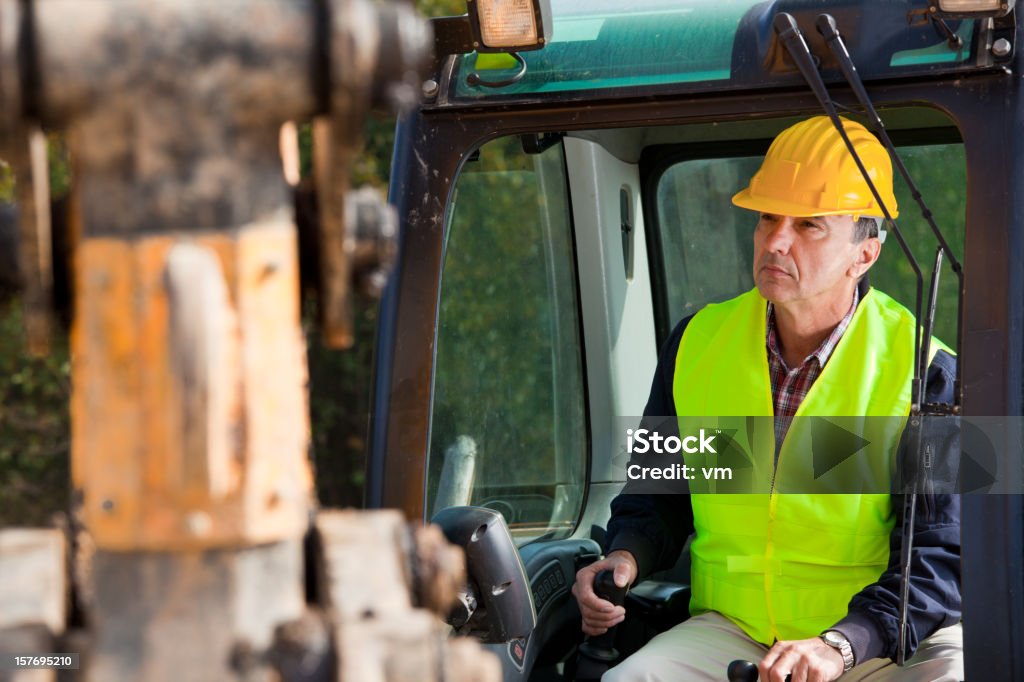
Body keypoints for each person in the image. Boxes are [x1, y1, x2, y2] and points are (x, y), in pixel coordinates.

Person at [572, 116, 962, 682]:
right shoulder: (697, 344)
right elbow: (657, 498)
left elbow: (939, 561)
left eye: (808, 225)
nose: (776, 240)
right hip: (735, 629)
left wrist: (840, 645)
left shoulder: (929, 373)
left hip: (871, 639)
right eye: (767, 218)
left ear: (865, 254)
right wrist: (626, 555)